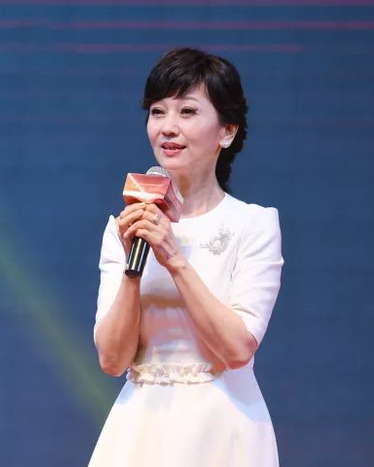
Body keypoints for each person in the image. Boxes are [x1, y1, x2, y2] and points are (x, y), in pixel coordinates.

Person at [88, 47, 284, 466]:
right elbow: (112, 360)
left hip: (223, 426)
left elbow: (237, 349)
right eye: (157, 112)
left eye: (187, 112)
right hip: (140, 427)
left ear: (226, 131)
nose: (168, 128)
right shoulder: (127, 226)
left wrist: (174, 258)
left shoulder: (253, 224)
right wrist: (133, 271)